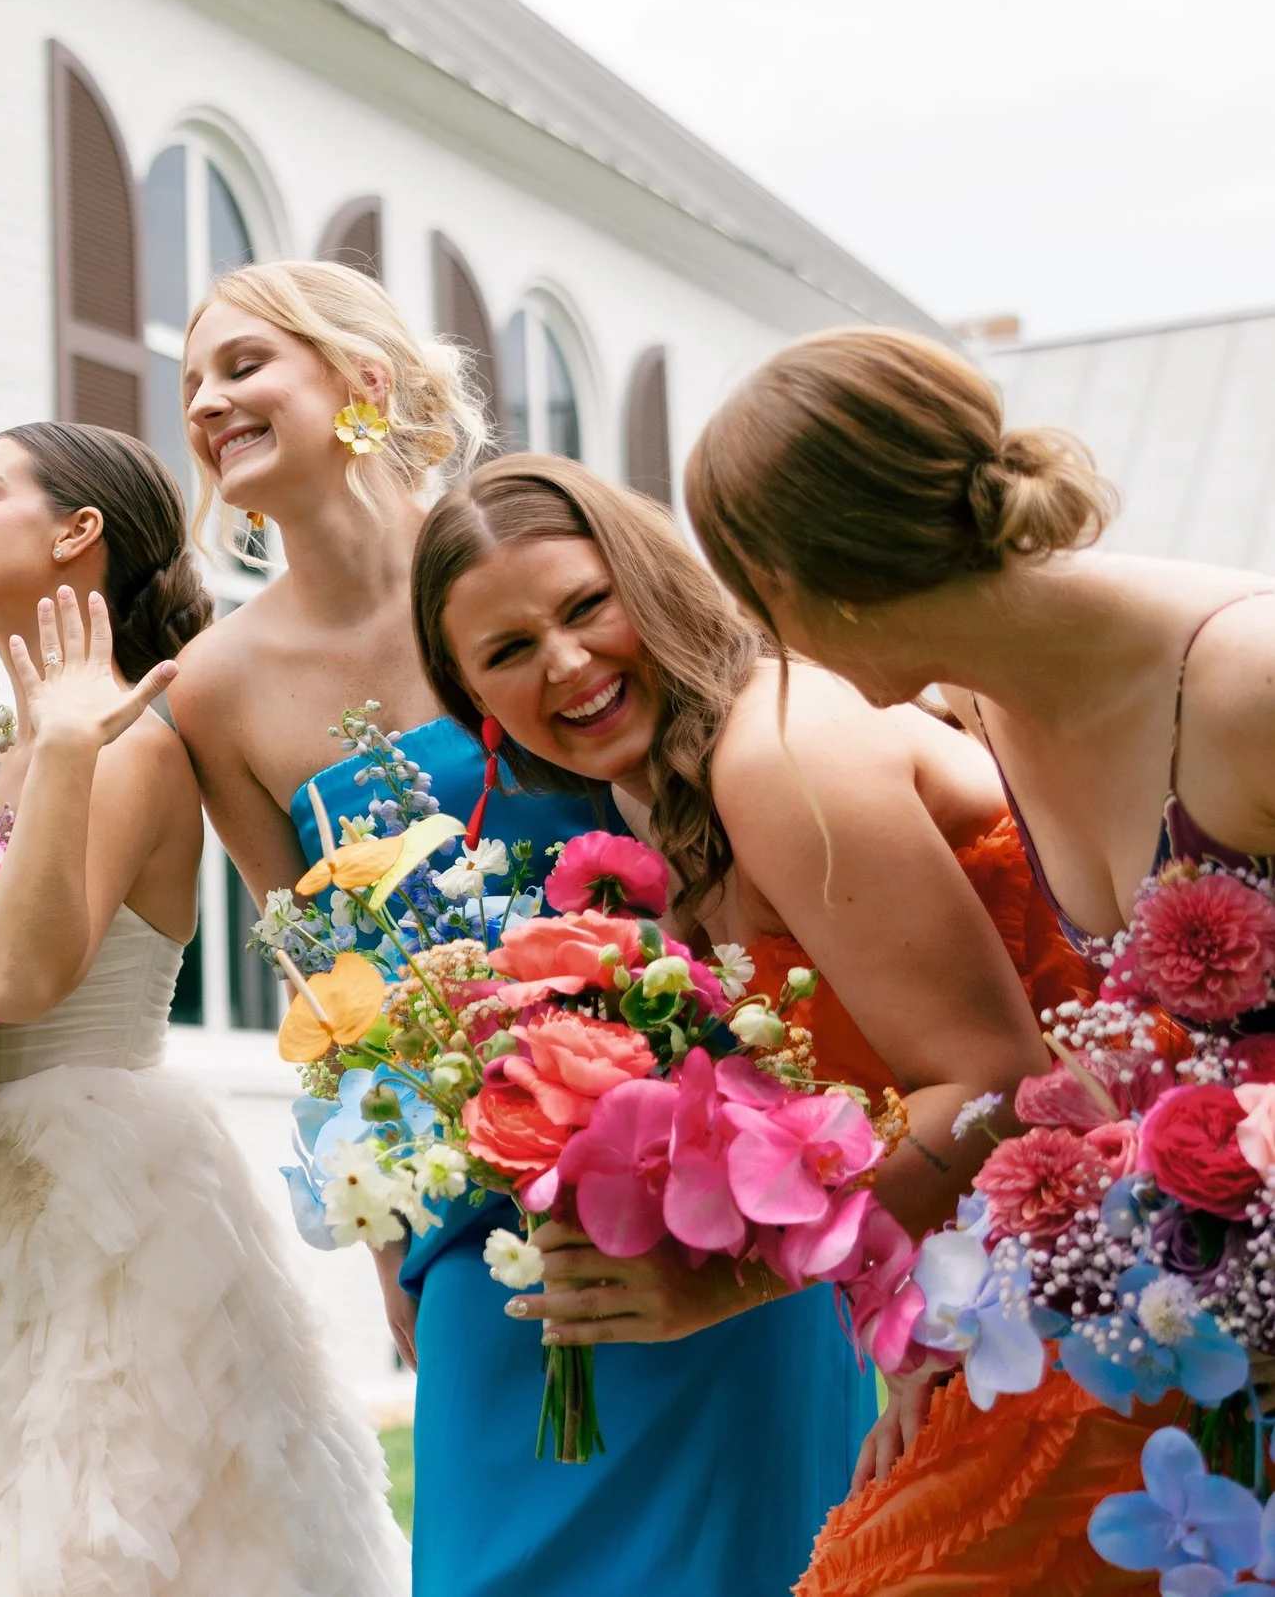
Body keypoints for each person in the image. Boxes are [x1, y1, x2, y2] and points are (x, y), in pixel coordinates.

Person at [165, 259, 866, 1594]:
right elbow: (320, 985)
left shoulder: (548, 564)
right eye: (193, 380)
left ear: (364, 383)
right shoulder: (218, 687)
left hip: (712, 1156)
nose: (208, 398)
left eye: (245, 362)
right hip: (476, 1201)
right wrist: (385, 1230)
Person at [416, 448, 1157, 1594]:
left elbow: (999, 1080)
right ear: (477, 707)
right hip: (1014, 1253)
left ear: (652, 581)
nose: (565, 663)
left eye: (584, 606)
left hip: (1138, 1206)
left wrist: (730, 1286)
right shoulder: (647, 793)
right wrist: (927, 1332)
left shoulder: (774, 747)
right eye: (509, 652)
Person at [0, 422, 406, 1595]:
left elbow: (25, 978)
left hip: (95, 1194)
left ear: (75, 532)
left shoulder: (126, 735)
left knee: (75, 1534)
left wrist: (61, 752)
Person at [683, 323, 1274, 1596]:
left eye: (753, 598)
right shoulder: (990, 703)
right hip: (1189, 1310)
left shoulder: (1245, 678)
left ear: (817, 581)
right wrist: (939, 1326)